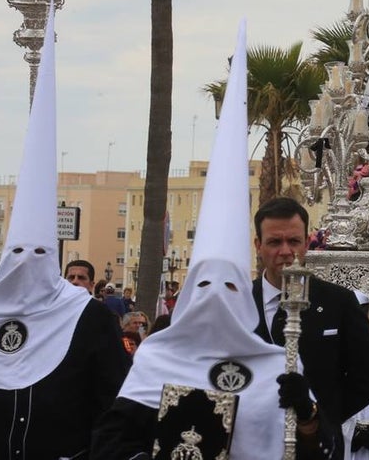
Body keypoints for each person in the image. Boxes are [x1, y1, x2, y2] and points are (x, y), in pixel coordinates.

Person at [93, 23, 327, 460]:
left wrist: (308, 414)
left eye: (230, 287)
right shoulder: (156, 357)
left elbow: (312, 451)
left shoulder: (278, 363)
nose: (216, 298)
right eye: (204, 285)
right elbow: (110, 443)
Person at [0, 10, 129, 459]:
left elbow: (113, 403)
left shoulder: (89, 318)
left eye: (39, 251)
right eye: (17, 250)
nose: (26, 260)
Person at [251, 196, 369, 438]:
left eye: (293, 241)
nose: (285, 251)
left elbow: (368, 380)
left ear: (307, 243)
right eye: (274, 242)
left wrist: (317, 419)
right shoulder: (239, 304)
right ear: (258, 245)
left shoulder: (338, 302)